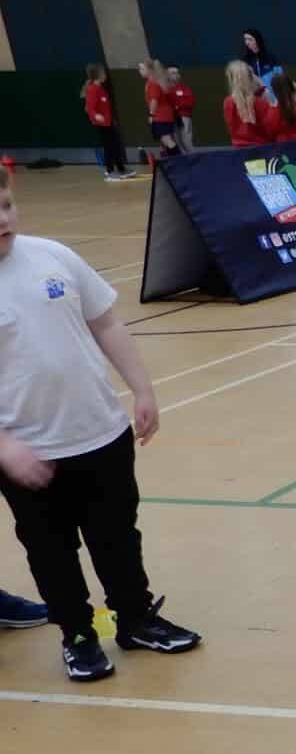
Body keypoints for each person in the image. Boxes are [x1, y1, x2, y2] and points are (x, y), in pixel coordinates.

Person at [0, 163, 202, 681]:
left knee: (117, 537)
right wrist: (4, 446)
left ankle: (135, 618)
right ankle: (78, 635)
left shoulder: (53, 256)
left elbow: (105, 322)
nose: (3, 220)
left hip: (101, 434)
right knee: (52, 552)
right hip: (29, 453)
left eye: (6, 206)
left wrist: (142, 388)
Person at [82, 66, 133, 180]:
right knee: (109, 147)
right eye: (103, 73)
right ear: (97, 75)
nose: (105, 75)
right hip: (101, 124)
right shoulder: (92, 89)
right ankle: (110, 171)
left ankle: (121, 169)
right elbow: (89, 108)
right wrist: (96, 115)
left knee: (115, 145)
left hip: (108, 122)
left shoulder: (101, 88)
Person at [222, 61, 273, 147]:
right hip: (263, 149)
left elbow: (232, 129)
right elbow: (271, 129)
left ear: (231, 80)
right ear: (251, 78)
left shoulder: (228, 102)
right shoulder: (261, 103)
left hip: (240, 150)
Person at [140, 59, 179, 159]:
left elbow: (154, 100)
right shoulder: (155, 82)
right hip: (164, 116)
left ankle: (181, 161)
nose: (140, 71)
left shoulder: (153, 83)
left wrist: (151, 115)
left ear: (149, 70)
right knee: (166, 141)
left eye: (142, 69)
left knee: (167, 140)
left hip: (160, 116)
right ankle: (174, 160)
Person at [240, 29, 283, 105]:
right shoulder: (245, 61)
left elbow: (280, 78)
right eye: (245, 39)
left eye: (250, 39)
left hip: (273, 101)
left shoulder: (271, 58)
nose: (247, 42)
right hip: (256, 102)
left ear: (257, 40)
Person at [267, 72, 296, 141]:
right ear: (292, 86)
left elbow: (270, 133)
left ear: (274, 92)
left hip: (284, 147)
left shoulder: (273, 112)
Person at [166, 67, 196, 154]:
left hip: (183, 117)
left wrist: (178, 106)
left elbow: (191, 101)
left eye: (177, 73)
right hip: (171, 118)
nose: (176, 75)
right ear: (167, 75)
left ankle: (193, 157)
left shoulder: (184, 88)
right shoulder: (166, 88)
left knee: (186, 139)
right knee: (174, 140)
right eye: (173, 73)